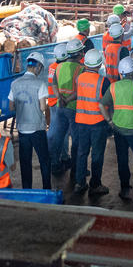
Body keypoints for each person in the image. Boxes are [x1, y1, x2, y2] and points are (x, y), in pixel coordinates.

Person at [8, 52, 52, 189]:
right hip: (37, 128)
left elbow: (11, 107)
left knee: (25, 162)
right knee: (44, 160)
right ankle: (46, 189)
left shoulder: (15, 83)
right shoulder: (40, 84)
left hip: (22, 129)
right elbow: (43, 107)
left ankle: (27, 190)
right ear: (38, 67)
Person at [101, 55, 133, 200]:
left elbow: (102, 105)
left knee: (122, 159)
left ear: (120, 72)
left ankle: (124, 188)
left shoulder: (113, 87)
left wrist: (109, 121)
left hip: (118, 129)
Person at [72, 48, 110, 196]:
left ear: (86, 63)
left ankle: (79, 183)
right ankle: (95, 185)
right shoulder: (103, 81)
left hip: (81, 121)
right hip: (98, 123)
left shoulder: (79, 78)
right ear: (99, 64)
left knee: (82, 152)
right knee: (97, 154)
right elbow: (108, 103)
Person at [49, 38, 84, 174]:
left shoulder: (59, 67)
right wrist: (68, 100)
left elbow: (54, 84)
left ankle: (54, 164)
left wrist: (60, 98)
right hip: (74, 108)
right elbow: (79, 90)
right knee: (76, 139)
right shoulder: (81, 69)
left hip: (60, 107)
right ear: (79, 53)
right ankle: (75, 168)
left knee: (58, 137)